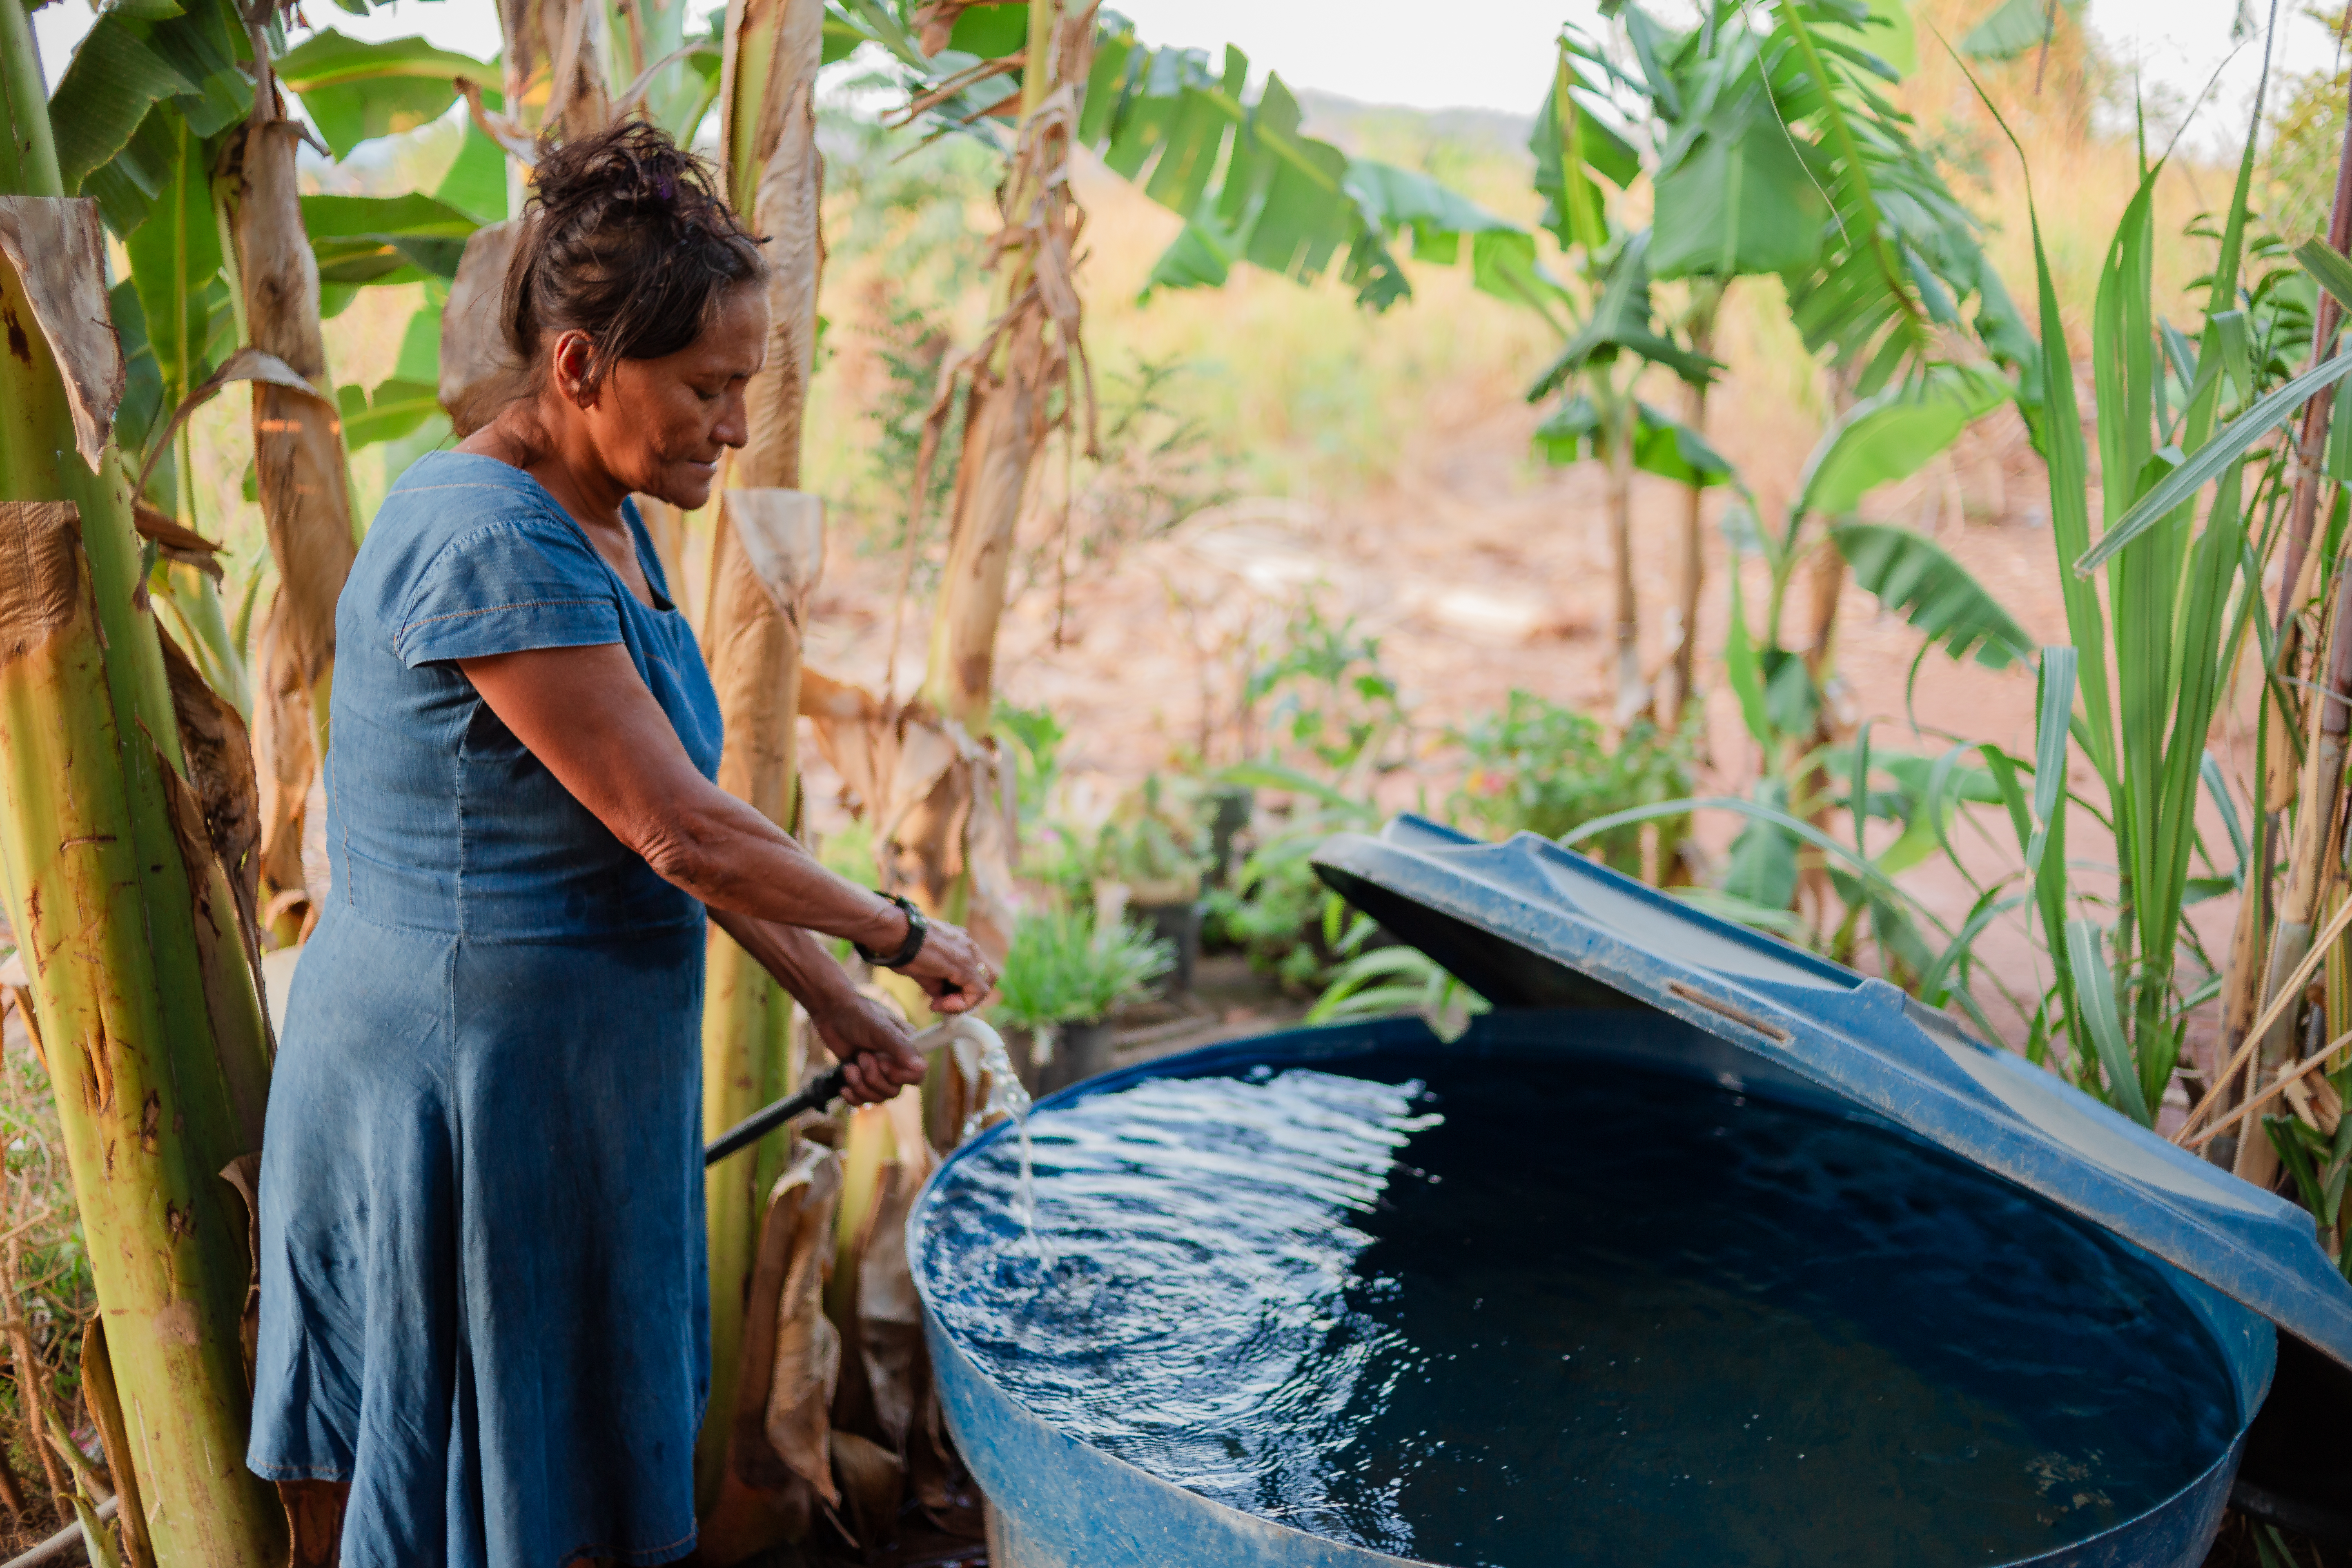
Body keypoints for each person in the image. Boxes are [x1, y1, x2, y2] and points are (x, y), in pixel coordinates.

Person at [246, 121, 994, 1568]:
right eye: (708, 390)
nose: (734, 425)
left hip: (564, 1082)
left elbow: (648, 825)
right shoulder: (485, 537)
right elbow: (681, 828)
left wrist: (830, 996)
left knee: (549, 1473)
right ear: (581, 368)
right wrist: (893, 934)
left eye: (747, 390)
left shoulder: (604, 507)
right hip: (458, 1088)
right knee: (463, 1478)